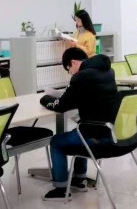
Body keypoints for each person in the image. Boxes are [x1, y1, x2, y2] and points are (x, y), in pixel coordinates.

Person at [40, 47, 118, 201]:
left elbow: (61, 106)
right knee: (81, 129)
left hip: (95, 137)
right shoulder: (108, 72)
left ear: (73, 63)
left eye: (69, 69)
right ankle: (79, 180)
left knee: (56, 141)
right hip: (111, 133)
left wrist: (45, 98)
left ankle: (61, 189)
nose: (71, 73)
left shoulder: (81, 77)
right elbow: (89, 96)